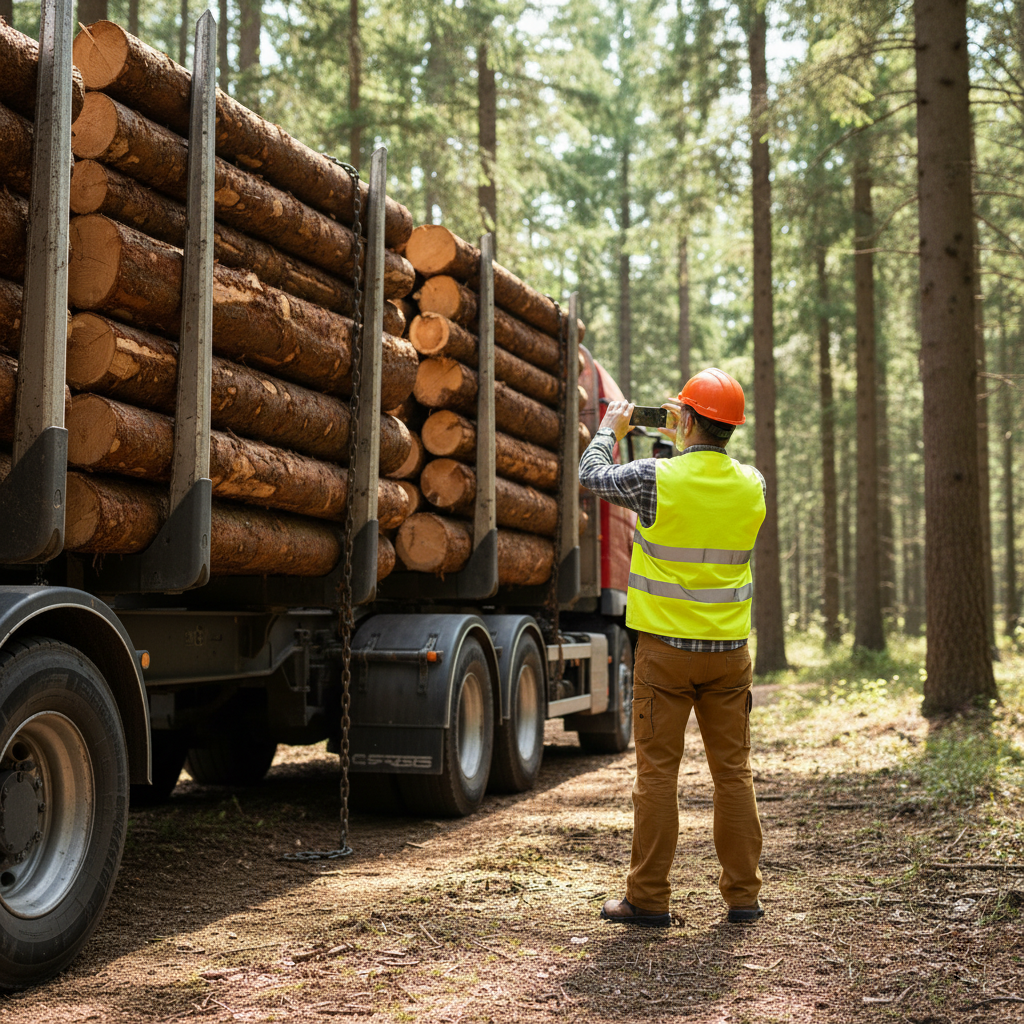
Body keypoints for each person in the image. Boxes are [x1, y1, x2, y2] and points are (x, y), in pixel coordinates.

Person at [578, 367, 767, 927]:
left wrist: (609, 429)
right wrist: (680, 442)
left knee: (658, 775)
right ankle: (743, 898)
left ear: (684, 419)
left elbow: (592, 475)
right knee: (733, 774)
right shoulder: (753, 483)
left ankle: (648, 899)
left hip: (665, 655)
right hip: (729, 654)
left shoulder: (653, 478)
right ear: (731, 427)